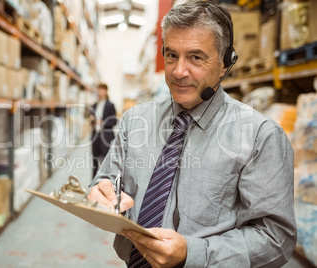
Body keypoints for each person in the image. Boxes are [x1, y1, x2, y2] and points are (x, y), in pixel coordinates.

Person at [88, 1, 297, 267]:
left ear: (225, 64)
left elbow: (276, 239)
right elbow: (107, 178)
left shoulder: (259, 137)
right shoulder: (135, 120)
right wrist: (101, 191)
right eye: (171, 55)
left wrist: (193, 253)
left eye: (196, 57)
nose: (178, 71)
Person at [88, 82, 117, 178]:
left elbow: (114, 121)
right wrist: (92, 119)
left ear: (105, 91)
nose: (99, 92)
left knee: (106, 161)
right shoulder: (94, 105)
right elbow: (91, 118)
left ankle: (106, 181)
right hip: (95, 136)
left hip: (106, 137)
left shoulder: (110, 105)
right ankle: (93, 183)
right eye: (98, 90)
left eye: (101, 90)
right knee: (94, 162)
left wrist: (103, 123)